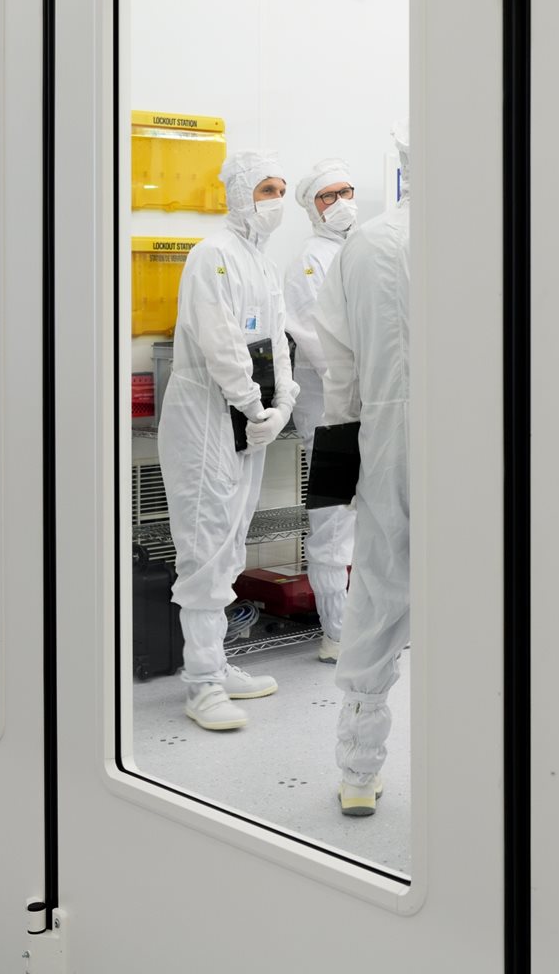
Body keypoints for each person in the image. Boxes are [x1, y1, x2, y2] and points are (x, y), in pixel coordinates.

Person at [159, 151, 294, 731]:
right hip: (207, 414)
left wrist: (281, 405)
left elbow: (276, 341)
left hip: (248, 416)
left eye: (283, 190)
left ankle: (218, 661)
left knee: (233, 539)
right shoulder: (212, 255)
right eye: (268, 189)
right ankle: (202, 683)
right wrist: (252, 402)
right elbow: (221, 346)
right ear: (240, 194)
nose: (277, 201)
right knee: (205, 543)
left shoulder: (262, 262)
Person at [314, 135, 411, 817]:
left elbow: (339, 368)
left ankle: (357, 771)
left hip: (388, 441)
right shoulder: (502, 230)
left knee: (377, 595)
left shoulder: (367, 245)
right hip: (487, 446)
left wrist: (347, 453)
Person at [284, 159, 359, 664]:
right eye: (327, 196)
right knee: (334, 520)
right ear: (311, 208)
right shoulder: (309, 261)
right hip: (333, 414)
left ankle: (367, 626)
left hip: (369, 407)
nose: (340, 204)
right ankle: (336, 632)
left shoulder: (364, 252)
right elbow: (320, 343)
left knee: (376, 521)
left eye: (346, 192)